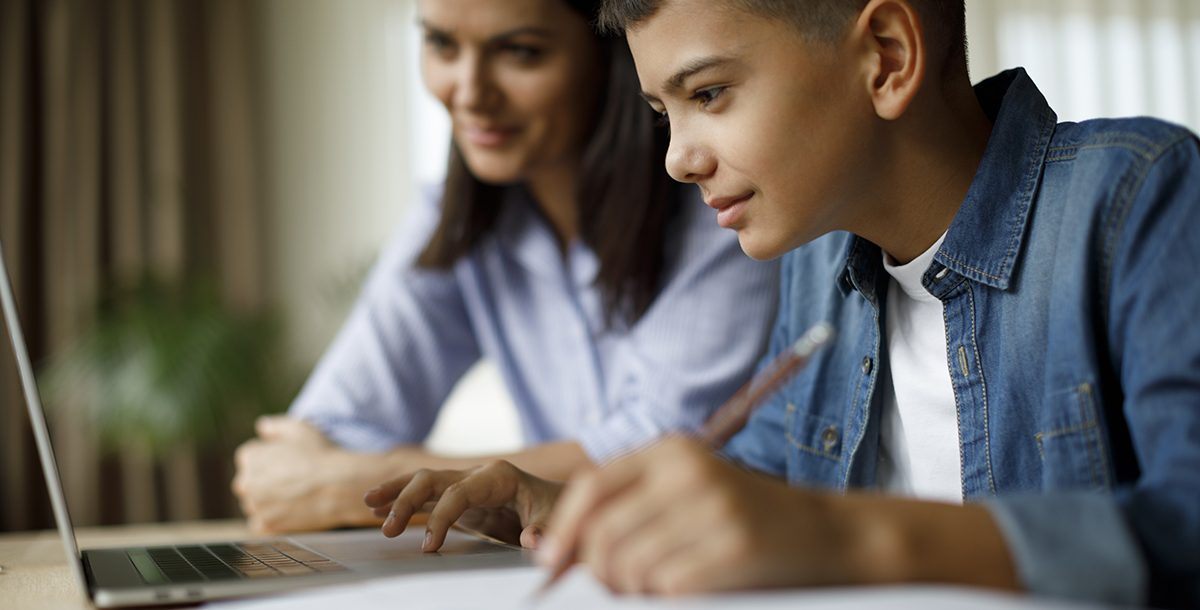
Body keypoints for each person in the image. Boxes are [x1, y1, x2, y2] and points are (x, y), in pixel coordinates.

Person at [362, 0, 1200, 607]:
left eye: (710, 94)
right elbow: (755, 481)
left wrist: (846, 537)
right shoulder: (820, 260)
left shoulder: (1140, 197)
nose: (677, 159)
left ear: (886, 56)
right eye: (663, 112)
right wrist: (564, 503)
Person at [232, 0, 779, 534]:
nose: (470, 94)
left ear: (610, 56)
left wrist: (356, 485)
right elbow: (325, 435)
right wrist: (341, 472)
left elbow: (660, 448)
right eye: (442, 44)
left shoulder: (724, 205)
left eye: (520, 52)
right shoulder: (457, 217)